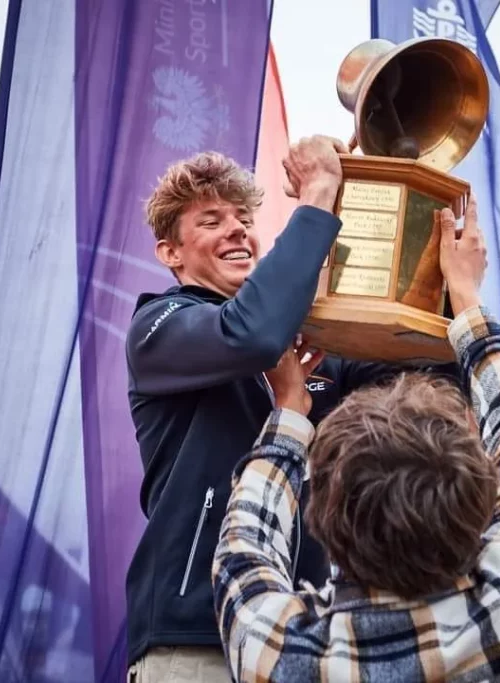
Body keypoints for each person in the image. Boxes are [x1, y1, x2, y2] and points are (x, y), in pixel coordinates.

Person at [211, 208, 500, 682]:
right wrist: (465, 295)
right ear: (476, 497)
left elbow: (245, 542)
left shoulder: (282, 654)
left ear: (322, 514)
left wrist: (287, 409)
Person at [124, 138, 431, 682]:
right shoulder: (161, 325)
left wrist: (400, 210)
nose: (238, 229)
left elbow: (424, 381)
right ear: (171, 252)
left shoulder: (308, 347)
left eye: (243, 217)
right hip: (196, 634)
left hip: (300, 634)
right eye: (212, 221)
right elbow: (252, 333)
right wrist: (317, 193)